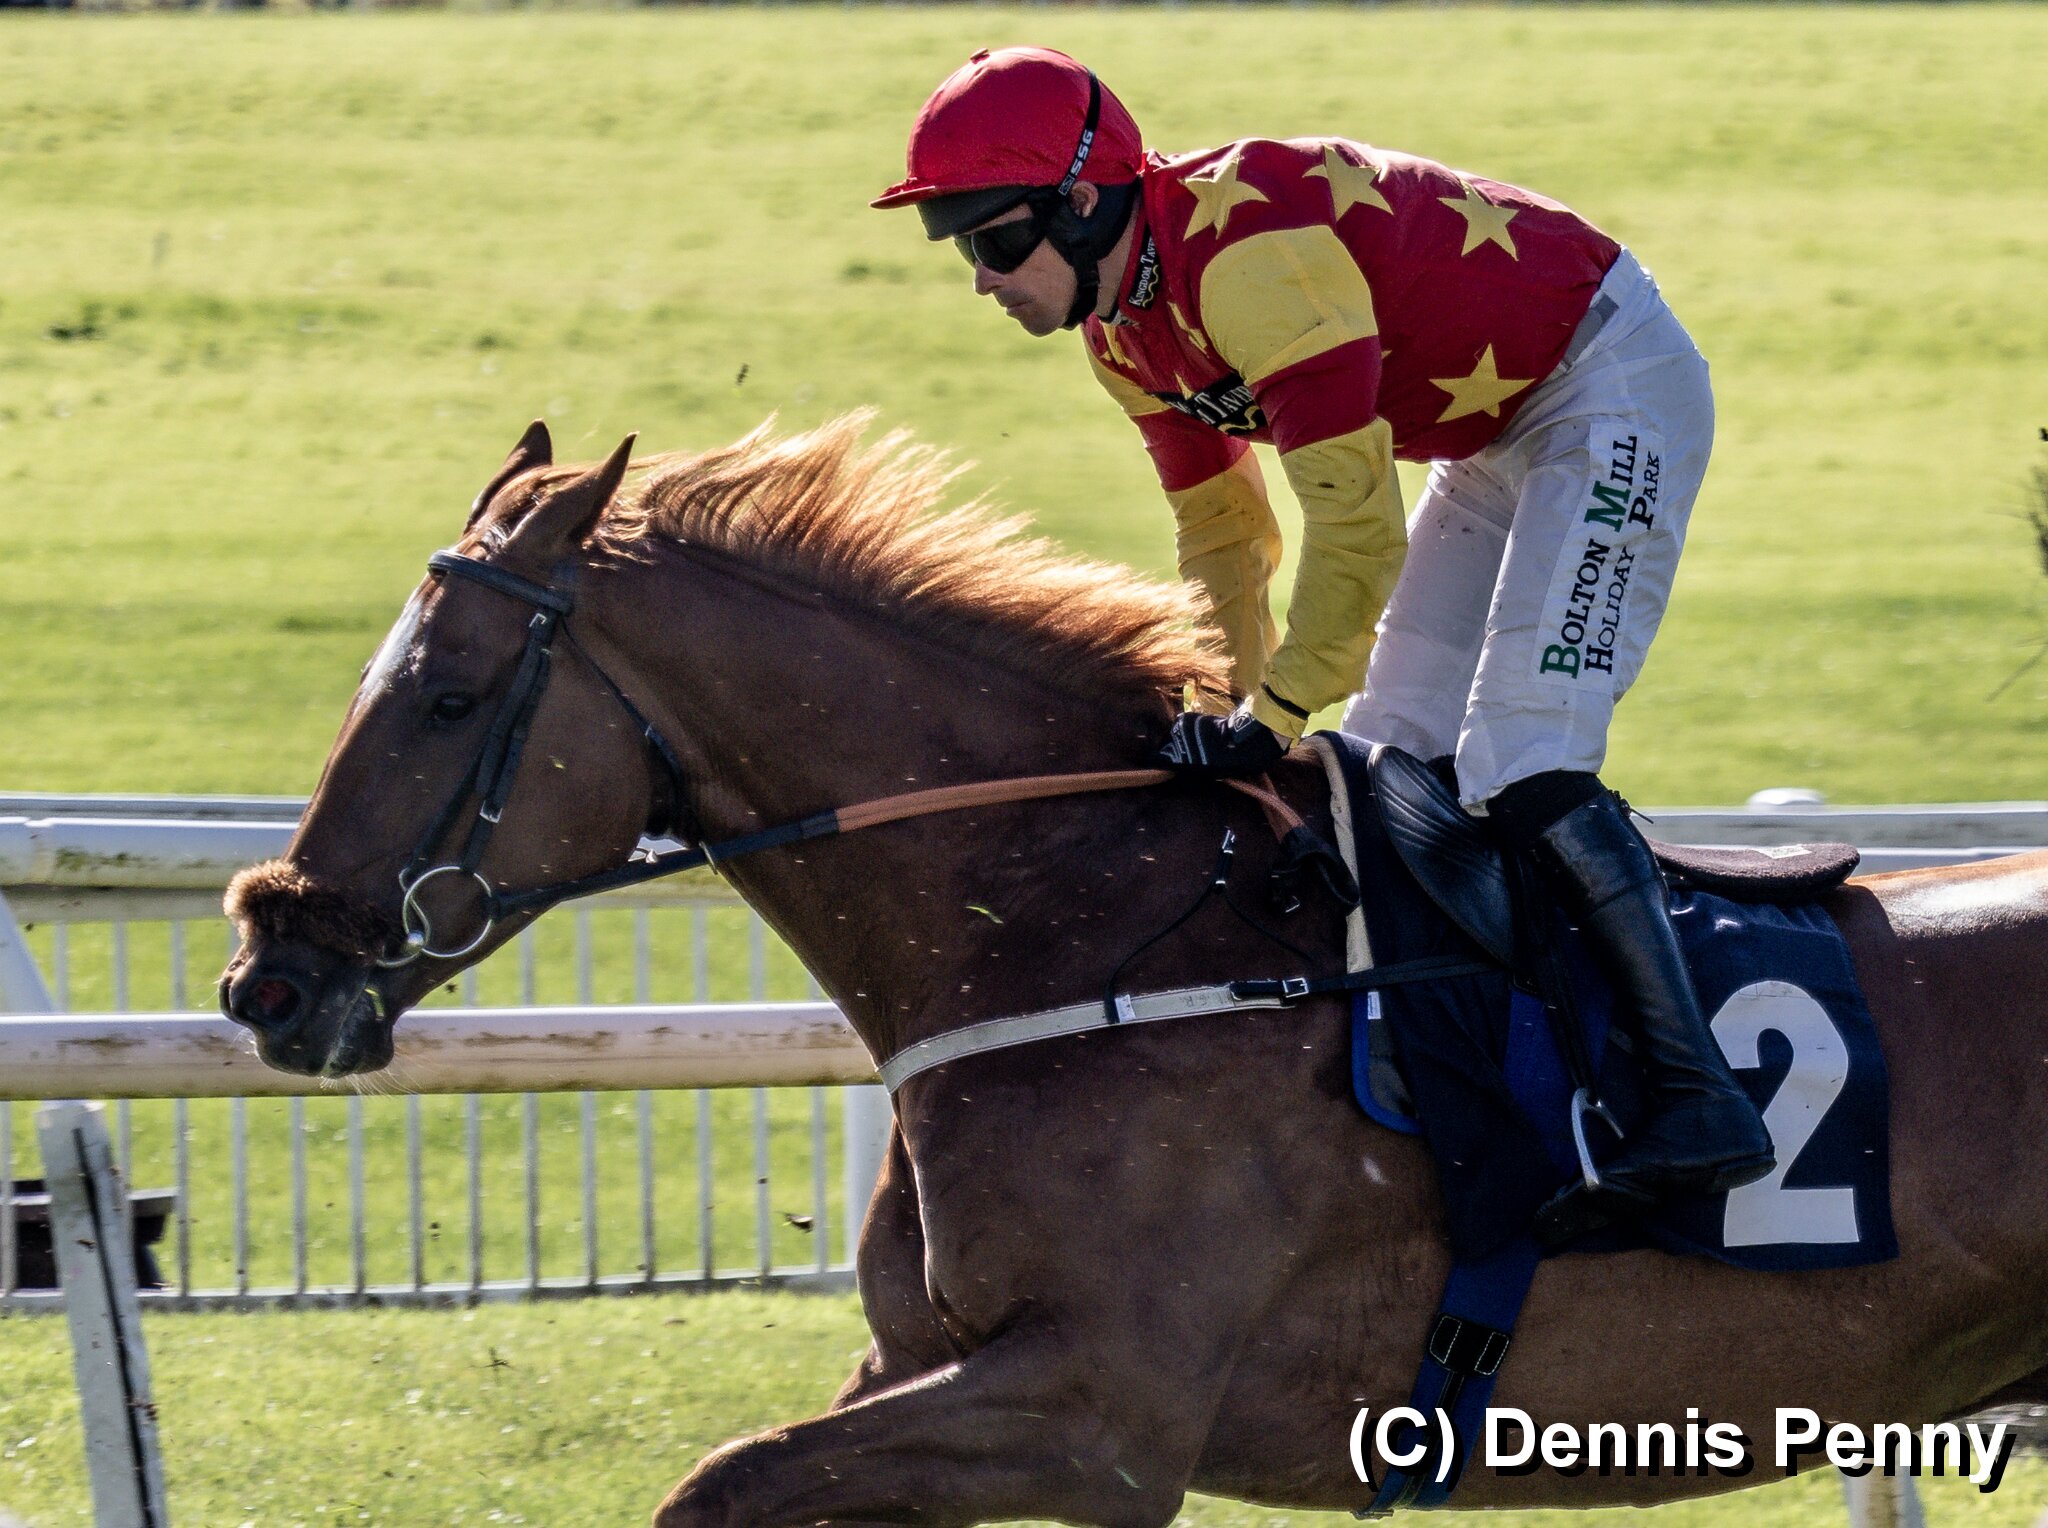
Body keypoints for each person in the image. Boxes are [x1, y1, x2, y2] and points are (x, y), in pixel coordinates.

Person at [872, 46, 1773, 1217]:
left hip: (1606, 386)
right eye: (956, 248)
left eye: (993, 242)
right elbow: (1223, 536)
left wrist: (1283, 708)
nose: (982, 280)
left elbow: (1353, 529)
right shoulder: (1121, 332)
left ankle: (1696, 1093)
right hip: (1489, 437)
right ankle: (1503, 1066)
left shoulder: (1246, 264)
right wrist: (1218, 700)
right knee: (1397, 759)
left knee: (1521, 752)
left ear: (1081, 203)